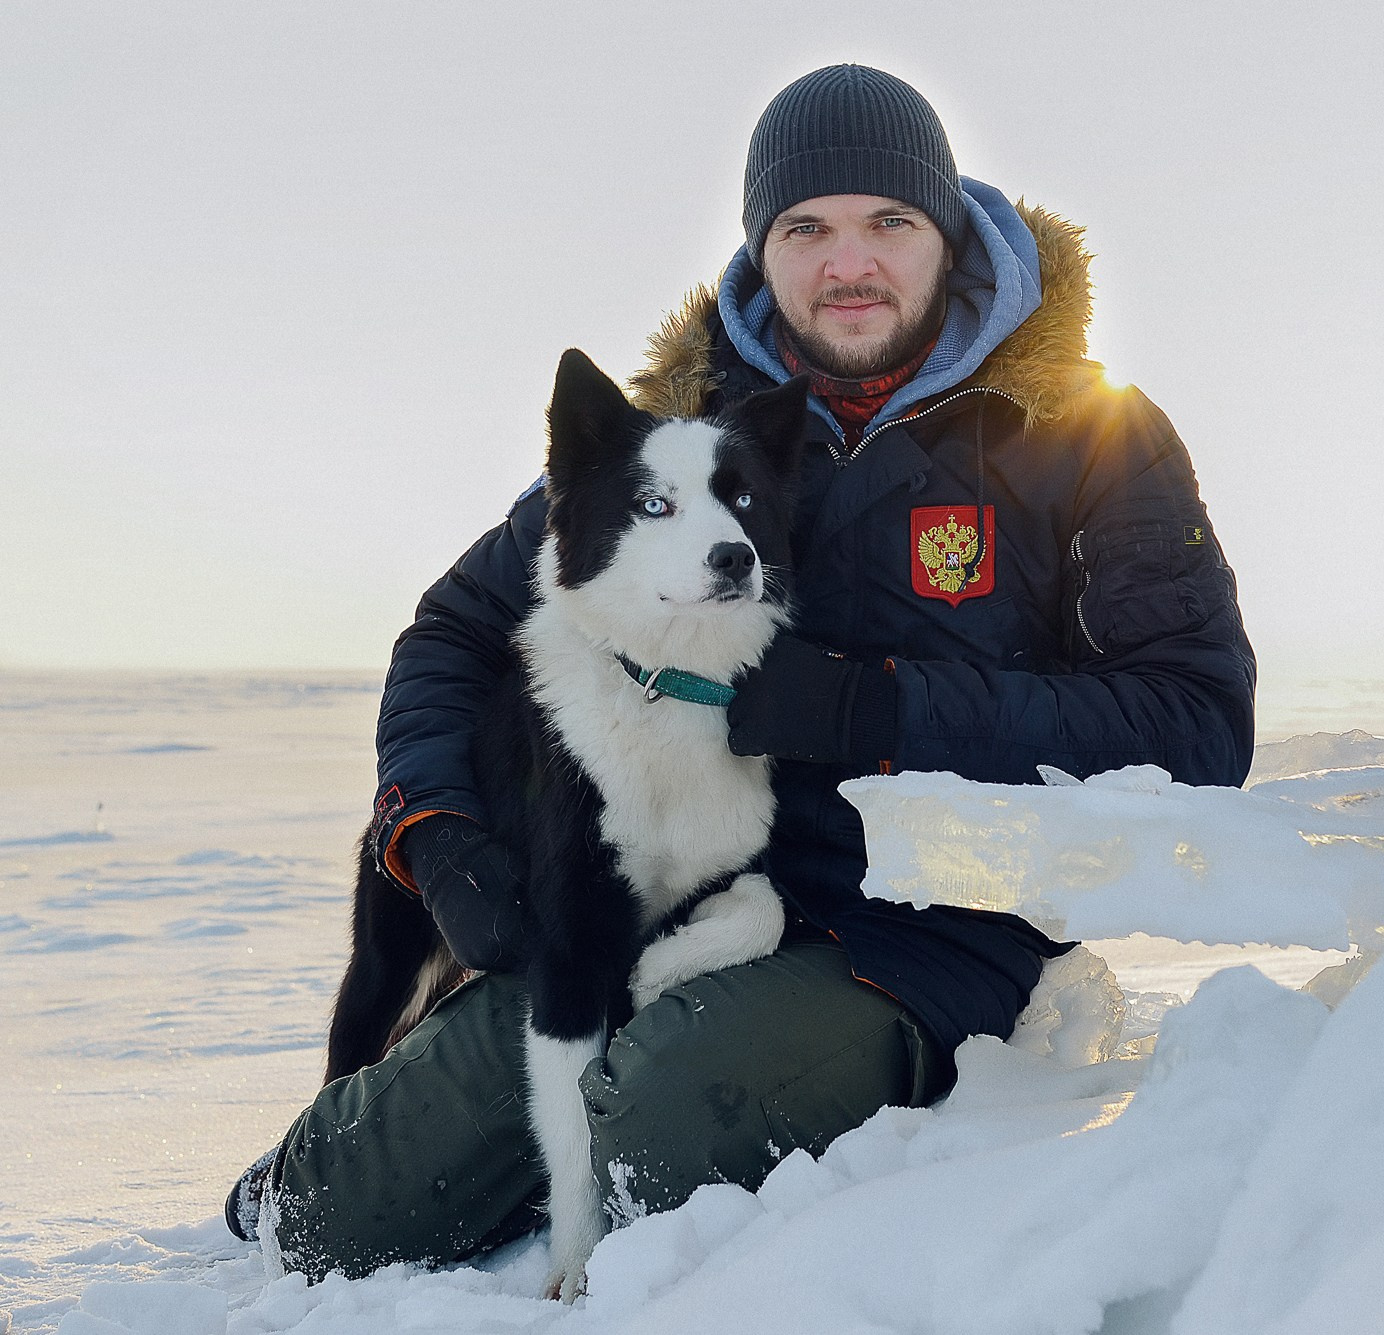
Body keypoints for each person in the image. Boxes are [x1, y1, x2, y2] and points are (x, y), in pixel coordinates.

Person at [226, 64, 1255, 1280]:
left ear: (950, 234)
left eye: (889, 222)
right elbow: (456, 631)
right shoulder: (678, 428)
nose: (847, 262)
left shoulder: (1085, 433)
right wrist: (437, 827)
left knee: (652, 1123)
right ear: (761, 251)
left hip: (914, 933)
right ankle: (362, 1144)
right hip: (664, 888)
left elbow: (1192, 723)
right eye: (805, 229)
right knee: (340, 1211)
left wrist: (878, 708)